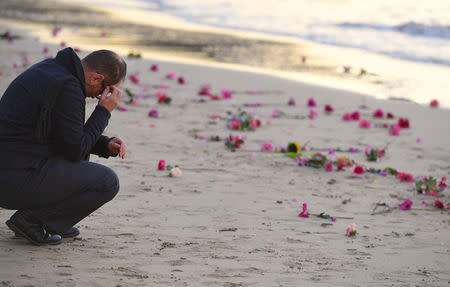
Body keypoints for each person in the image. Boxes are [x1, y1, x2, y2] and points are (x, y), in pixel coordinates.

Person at [0, 47, 127, 245]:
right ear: (96, 78)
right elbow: (75, 150)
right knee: (108, 182)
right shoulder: (68, 87)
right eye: (102, 92)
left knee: (79, 160)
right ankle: (32, 220)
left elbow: (64, 135)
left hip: (11, 170)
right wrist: (103, 111)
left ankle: (48, 220)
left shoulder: (53, 69)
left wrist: (104, 144)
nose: (96, 97)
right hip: (12, 180)